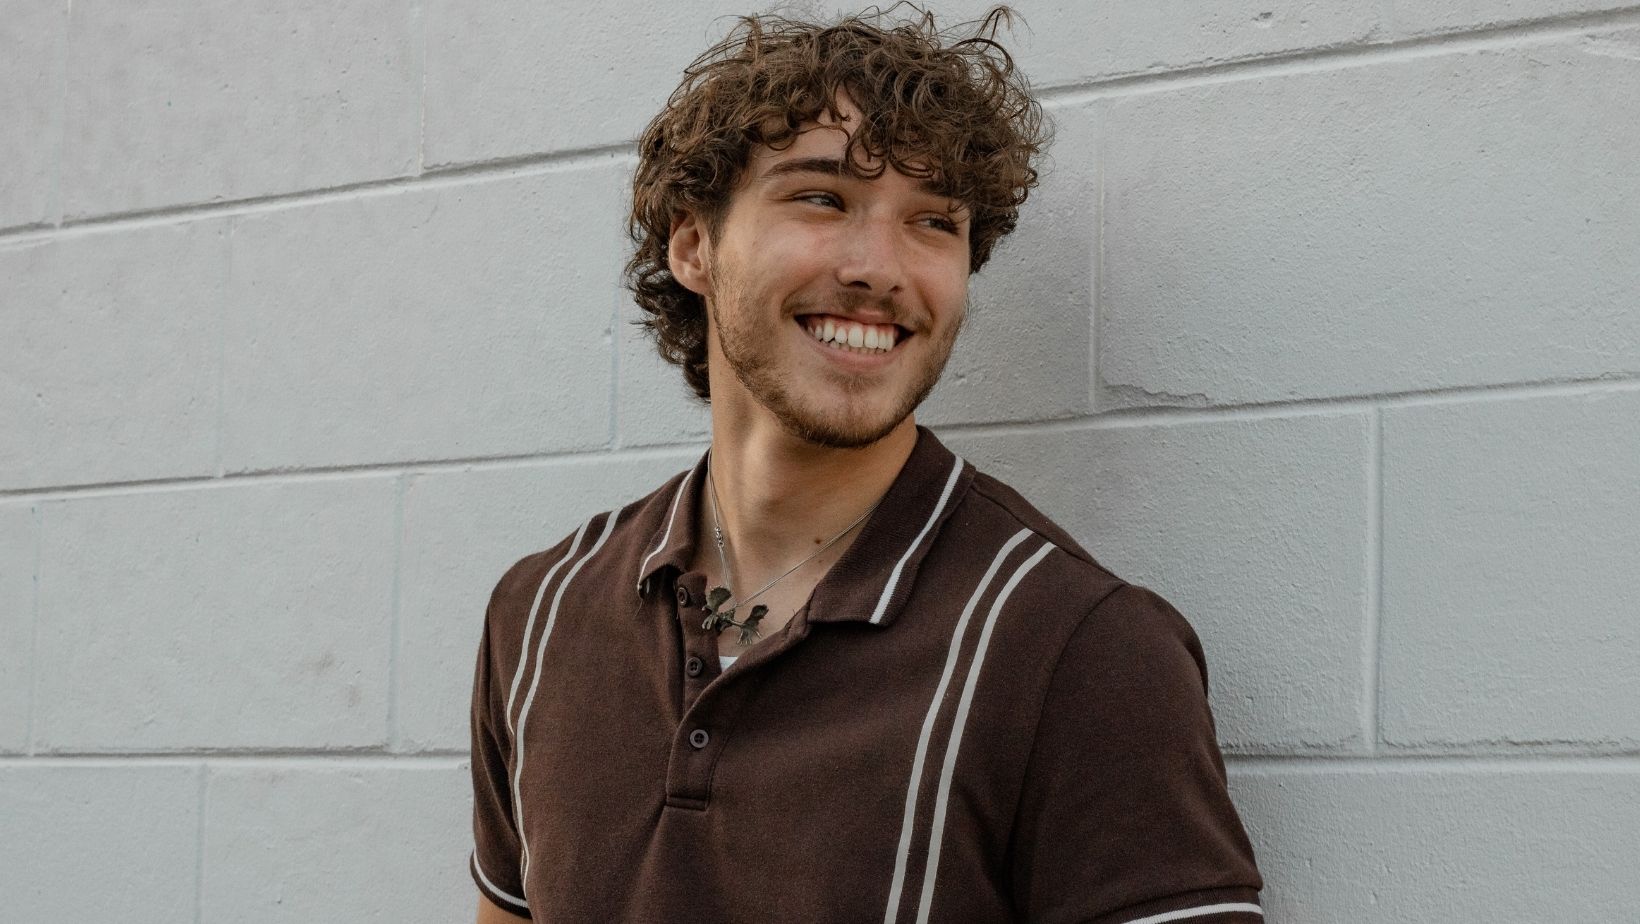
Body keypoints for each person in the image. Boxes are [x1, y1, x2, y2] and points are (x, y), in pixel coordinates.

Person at [469, 7, 1263, 923]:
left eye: (933, 221)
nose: (881, 268)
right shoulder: (540, 612)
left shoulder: (1077, 651)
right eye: (822, 198)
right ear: (694, 244)